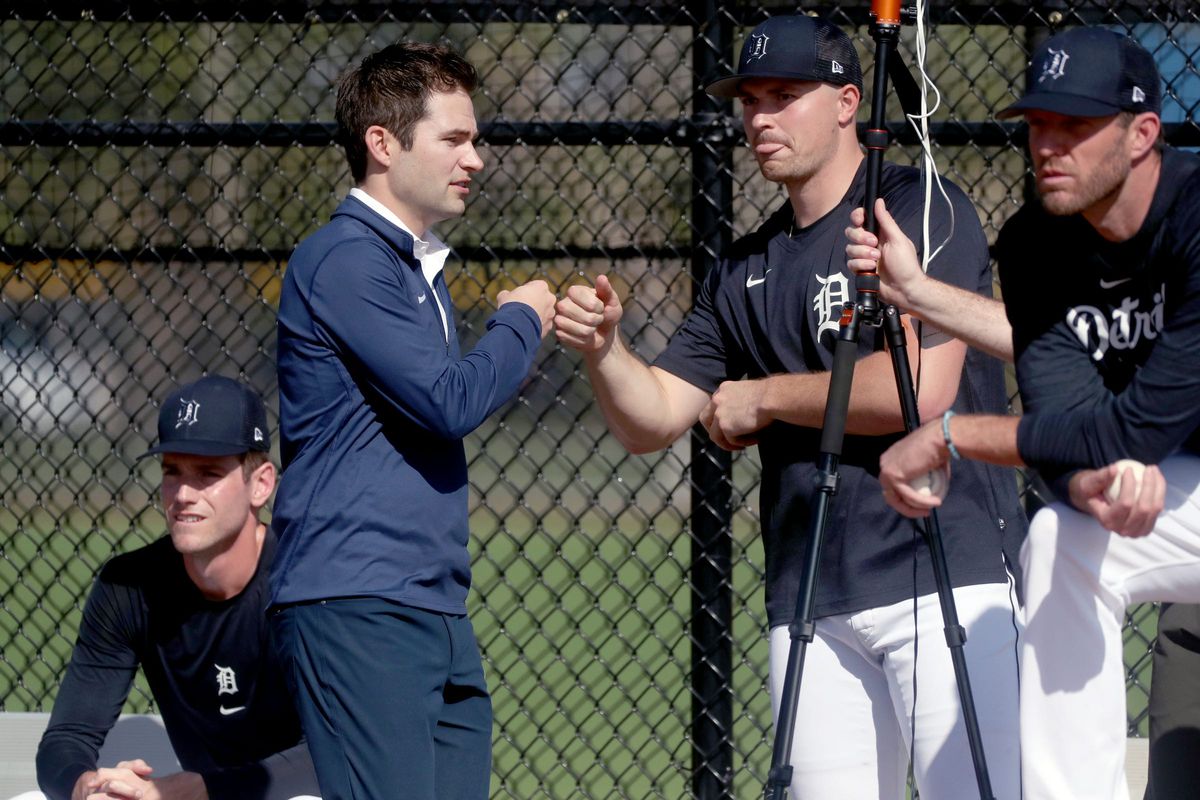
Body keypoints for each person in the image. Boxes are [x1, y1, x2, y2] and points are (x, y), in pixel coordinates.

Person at [554, 14, 1026, 799]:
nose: (760, 117)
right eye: (751, 99)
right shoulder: (746, 267)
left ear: (848, 102)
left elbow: (919, 389)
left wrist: (766, 398)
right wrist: (606, 350)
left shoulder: (918, 206)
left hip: (948, 576)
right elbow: (654, 418)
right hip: (811, 599)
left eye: (785, 95)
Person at [853, 27, 1200, 800]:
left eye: (1074, 126)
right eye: (1038, 122)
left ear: (1144, 134)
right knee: (1060, 536)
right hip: (1180, 493)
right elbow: (1068, 424)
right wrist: (1088, 482)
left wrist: (949, 433)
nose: (1047, 144)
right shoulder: (1037, 243)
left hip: (1174, 464)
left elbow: (1132, 428)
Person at [267, 41, 556, 800]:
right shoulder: (345, 259)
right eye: (454, 139)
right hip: (360, 604)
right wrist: (521, 320)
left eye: (475, 139)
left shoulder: (407, 266)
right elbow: (448, 401)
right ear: (383, 144)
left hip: (430, 603)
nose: (477, 159)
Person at [34, 375, 319, 800]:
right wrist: (88, 786)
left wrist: (190, 790)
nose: (183, 493)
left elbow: (336, 755)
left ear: (260, 484)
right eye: (173, 472)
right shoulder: (129, 585)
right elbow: (65, 740)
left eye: (207, 473)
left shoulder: (307, 581)